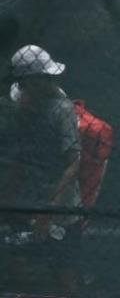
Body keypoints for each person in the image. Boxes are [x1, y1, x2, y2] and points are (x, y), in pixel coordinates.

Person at [3, 45, 82, 295]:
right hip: (28, 200)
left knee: (64, 277)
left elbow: (73, 163)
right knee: (22, 270)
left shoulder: (62, 110)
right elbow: (18, 161)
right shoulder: (20, 108)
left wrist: (49, 214)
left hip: (61, 208)